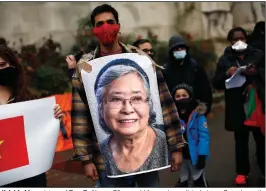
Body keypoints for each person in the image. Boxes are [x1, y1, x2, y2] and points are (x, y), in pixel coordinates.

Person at [66, 4, 185, 187]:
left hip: (149, 155)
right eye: (100, 24)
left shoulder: (142, 59)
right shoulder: (85, 68)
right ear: (94, 30)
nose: (105, 27)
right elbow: (80, 115)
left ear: (118, 26)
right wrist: (86, 159)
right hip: (105, 159)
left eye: (110, 22)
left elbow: (165, 102)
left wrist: (176, 146)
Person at [0, 45, 64, 187]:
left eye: (12, 64)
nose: (8, 68)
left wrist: (54, 116)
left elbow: (39, 134)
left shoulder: (27, 98)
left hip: (30, 179)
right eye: (2, 65)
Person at [95, 59, 168, 176]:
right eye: (116, 99)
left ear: (149, 105)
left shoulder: (167, 144)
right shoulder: (99, 153)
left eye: (137, 98)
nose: (128, 110)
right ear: (101, 108)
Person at [212, 27, 265, 186]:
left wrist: (256, 72)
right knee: (241, 140)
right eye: (235, 39)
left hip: (256, 103)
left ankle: (264, 169)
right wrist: (227, 73)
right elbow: (216, 83)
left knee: (261, 139)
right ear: (230, 41)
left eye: (242, 38)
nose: (239, 41)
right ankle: (242, 172)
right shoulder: (225, 59)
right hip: (237, 105)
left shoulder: (258, 54)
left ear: (246, 39)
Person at [163, 35, 212, 116]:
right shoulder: (165, 71)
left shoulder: (196, 67)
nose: (179, 51)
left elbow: (206, 91)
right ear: (171, 51)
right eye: (176, 49)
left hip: (195, 112)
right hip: (174, 114)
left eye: (182, 48)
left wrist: (204, 109)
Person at [172, 83, 210, 187]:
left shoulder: (198, 115)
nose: (181, 98)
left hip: (195, 155)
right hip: (181, 156)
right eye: (178, 96)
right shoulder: (173, 116)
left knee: (198, 180)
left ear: (190, 96)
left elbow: (204, 137)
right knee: (183, 180)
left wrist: (202, 155)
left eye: (184, 95)